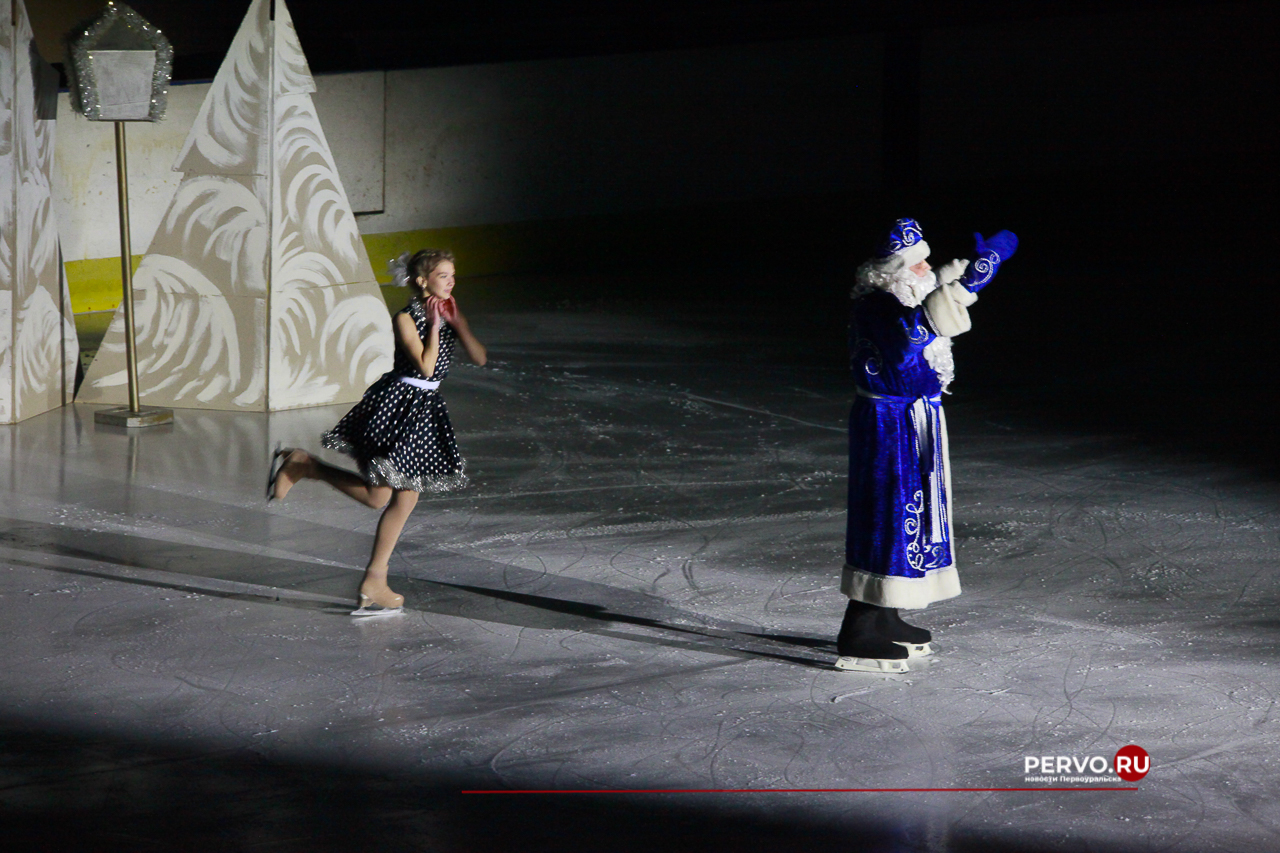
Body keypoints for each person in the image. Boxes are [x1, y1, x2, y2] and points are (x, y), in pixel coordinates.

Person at [837, 218, 1017, 672]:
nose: (928, 269)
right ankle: (859, 628)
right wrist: (964, 284)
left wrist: (957, 279)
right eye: (920, 264)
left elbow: (923, 308)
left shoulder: (897, 296)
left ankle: (886, 613)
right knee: (886, 518)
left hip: (911, 418)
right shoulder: (878, 306)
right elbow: (911, 336)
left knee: (909, 519)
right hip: (889, 424)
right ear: (896, 270)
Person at [267, 249, 487, 616]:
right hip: (397, 408)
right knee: (379, 498)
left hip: (424, 412)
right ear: (422, 281)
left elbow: (480, 357)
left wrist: (459, 322)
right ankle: (307, 466)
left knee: (403, 499)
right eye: (444, 275)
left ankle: (375, 580)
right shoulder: (405, 318)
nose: (452, 281)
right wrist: (435, 324)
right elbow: (427, 368)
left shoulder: (448, 314)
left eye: (453, 275)